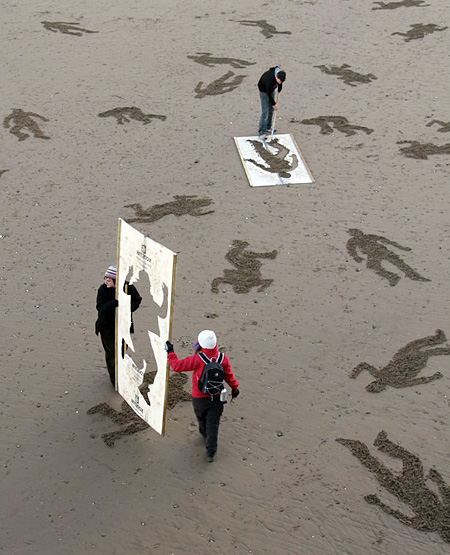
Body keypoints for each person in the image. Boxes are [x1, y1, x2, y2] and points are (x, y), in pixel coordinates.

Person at [165, 330, 240, 462]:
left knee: (201, 417)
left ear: (200, 344)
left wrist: (170, 352)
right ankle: (211, 452)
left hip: (199, 397)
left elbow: (177, 366)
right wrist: (235, 388)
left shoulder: (197, 359)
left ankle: (203, 432)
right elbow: (228, 376)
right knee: (213, 424)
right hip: (216, 397)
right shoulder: (222, 358)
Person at [95, 265, 142, 387]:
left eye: (109, 280)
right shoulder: (103, 290)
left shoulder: (128, 287)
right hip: (106, 327)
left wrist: (127, 308)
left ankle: (121, 372)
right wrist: (114, 303)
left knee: (122, 352)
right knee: (111, 354)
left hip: (123, 325)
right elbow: (100, 307)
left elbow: (137, 300)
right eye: (105, 279)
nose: (106, 282)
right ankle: (115, 381)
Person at [257, 66, 286, 139]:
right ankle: (261, 132)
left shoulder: (280, 74)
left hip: (271, 89)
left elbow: (280, 83)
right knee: (265, 111)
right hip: (264, 90)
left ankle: (268, 127)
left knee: (271, 109)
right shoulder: (269, 79)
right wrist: (273, 104)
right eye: (279, 81)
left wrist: (279, 88)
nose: (280, 82)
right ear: (276, 76)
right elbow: (268, 93)